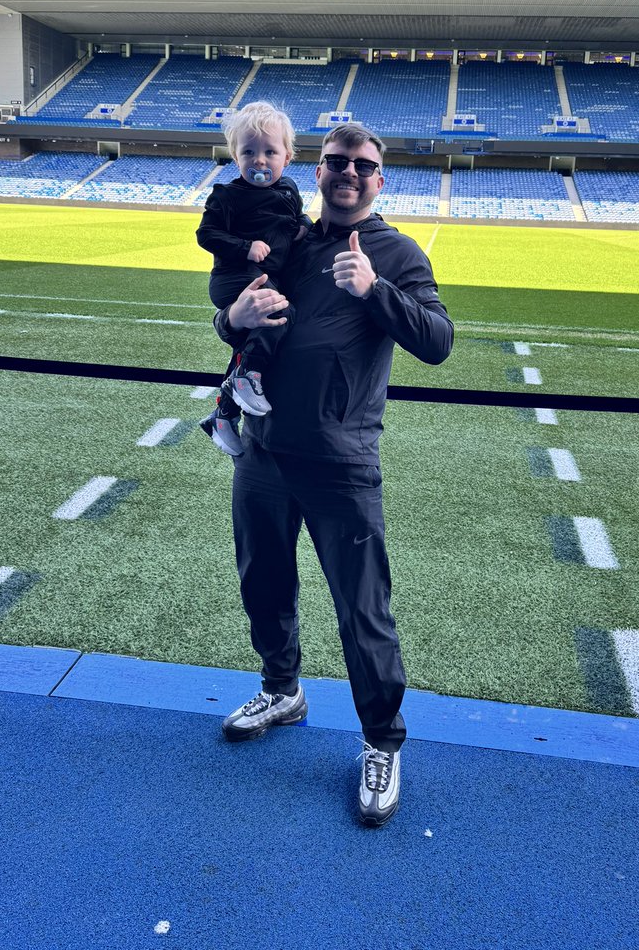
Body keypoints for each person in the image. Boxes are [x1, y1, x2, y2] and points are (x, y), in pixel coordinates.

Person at [210, 122, 454, 827]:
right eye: (338, 162)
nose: (349, 173)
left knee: (363, 610)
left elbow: (437, 342)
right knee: (263, 581)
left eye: (364, 165)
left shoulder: (397, 252)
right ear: (317, 171)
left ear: (380, 180)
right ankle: (282, 689)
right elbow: (235, 310)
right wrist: (232, 315)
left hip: (342, 463)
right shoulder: (291, 239)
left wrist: (376, 290)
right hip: (262, 452)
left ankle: (382, 740)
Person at [195, 101, 310, 456]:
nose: (259, 160)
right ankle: (249, 379)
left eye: (269, 151)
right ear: (235, 155)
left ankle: (223, 415)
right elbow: (206, 235)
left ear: (287, 157)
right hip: (235, 277)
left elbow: (296, 220)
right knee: (280, 314)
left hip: (263, 276)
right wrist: (245, 246)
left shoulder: (288, 191)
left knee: (251, 342)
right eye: (249, 152)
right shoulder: (227, 196)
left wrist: (304, 227)